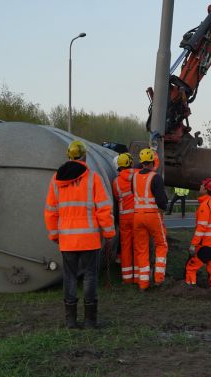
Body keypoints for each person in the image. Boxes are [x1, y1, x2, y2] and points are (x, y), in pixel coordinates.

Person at [44, 140, 115, 329]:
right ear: (84, 156)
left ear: (68, 156)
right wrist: (108, 232)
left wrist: (54, 235)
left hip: (67, 240)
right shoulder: (93, 178)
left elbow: (51, 211)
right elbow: (103, 208)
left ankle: (70, 321)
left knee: (70, 277)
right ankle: (90, 321)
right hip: (90, 239)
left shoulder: (56, 180)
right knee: (90, 277)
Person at [132, 148, 169, 291]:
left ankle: (143, 283)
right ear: (153, 161)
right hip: (152, 215)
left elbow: (133, 192)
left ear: (141, 162)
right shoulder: (156, 177)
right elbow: (161, 201)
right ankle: (159, 278)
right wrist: (165, 207)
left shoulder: (134, 177)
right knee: (161, 244)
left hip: (137, 216)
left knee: (142, 250)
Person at [185, 177, 211, 294]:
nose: (200, 187)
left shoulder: (205, 206)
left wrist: (193, 245)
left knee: (191, 267)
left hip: (207, 245)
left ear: (206, 190)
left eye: (202, 186)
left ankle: (189, 289)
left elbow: (201, 229)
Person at [112, 152, 137, 285]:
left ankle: (127, 277)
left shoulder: (115, 182)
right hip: (137, 215)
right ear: (130, 163)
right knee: (139, 245)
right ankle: (139, 276)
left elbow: (117, 197)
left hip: (123, 217)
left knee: (125, 247)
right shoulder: (136, 175)